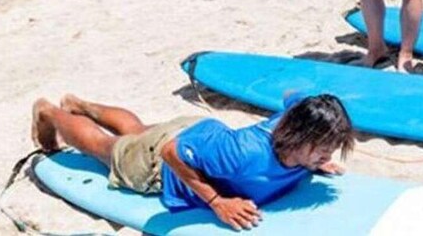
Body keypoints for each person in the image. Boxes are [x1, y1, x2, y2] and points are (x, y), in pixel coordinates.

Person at [31, 93, 355, 230]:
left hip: (199, 138)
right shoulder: (245, 153)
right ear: (298, 136)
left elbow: (294, 96)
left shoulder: (298, 118)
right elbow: (171, 151)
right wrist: (217, 202)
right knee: (106, 147)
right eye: (323, 148)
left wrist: (315, 159)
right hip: (162, 163)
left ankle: (80, 104)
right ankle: (50, 111)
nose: (329, 155)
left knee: (139, 129)